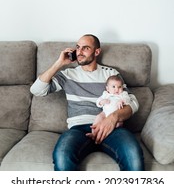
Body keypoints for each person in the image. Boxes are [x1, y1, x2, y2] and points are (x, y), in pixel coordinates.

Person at [30, 34, 144, 171]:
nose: (79, 51)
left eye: (85, 48)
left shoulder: (110, 74)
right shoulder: (67, 75)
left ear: (96, 52)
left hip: (111, 127)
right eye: (78, 47)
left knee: (133, 153)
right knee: (62, 155)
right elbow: (36, 90)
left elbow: (133, 102)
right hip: (79, 129)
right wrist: (59, 63)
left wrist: (113, 118)